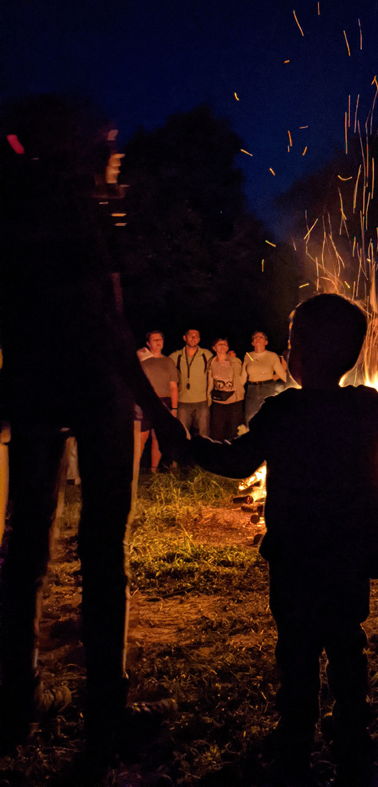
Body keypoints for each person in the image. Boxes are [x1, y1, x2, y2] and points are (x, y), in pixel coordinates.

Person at [0, 95, 188, 767]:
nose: (116, 148)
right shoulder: (74, 207)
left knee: (25, 545)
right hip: (88, 388)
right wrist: (156, 409)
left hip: (31, 387)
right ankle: (105, 708)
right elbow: (106, 322)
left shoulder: (19, 199)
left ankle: (12, 696)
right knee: (100, 551)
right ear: (76, 145)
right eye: (105, 139)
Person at [189, 294, 378, 787]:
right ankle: (352, 735)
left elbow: (236, 462)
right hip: (349, 553)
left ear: (299, 355)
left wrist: (187, 444)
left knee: (295, 647)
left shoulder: (281, 412)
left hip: (294, 555)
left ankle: (296, 738)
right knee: (346, 641)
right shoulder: (364, 407)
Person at [139, 331, 179, 472]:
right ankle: (133, 469)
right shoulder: (141, 360)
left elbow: (173, 386)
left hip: (164, 401)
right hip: (145, 400)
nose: (158, 341)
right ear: (148, 343)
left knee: (158, 437)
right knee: (142, 436)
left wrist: (174, 408)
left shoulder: (168, 361)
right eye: (154, 339)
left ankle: (154, 469)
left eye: (160, 339)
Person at [169, 329, 213, 437]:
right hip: (183, 402)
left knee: (204, 436)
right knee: (182, 436)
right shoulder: (175, 357)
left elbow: (221, 363)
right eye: (191, 335)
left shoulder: (207, 355)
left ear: (199, 339)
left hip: (202, 402)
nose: (193, 338)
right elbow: (161, 366)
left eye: (196, 336)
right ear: (184, 338)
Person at [241, 330, 287, 424]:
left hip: (268, 389)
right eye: (255, 337)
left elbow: (282, 374)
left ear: (266, 342)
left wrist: (296, 383)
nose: (258, 338)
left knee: (269, 419)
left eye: (261, 337)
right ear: (252, 343)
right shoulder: (248, 356)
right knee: (250, 419)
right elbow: (243, 377)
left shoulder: (272, 356)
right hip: (252, 391)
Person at [207, 337, 244, 440]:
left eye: (224, 344)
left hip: (234, 401)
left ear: (227, 347)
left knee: (234, 431)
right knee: (217, 431)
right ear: (214, 348)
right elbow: (210, 382)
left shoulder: (236, 361)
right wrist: (208, 397)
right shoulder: (211, 363)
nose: (222, 346)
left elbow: (242, 377)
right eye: (219, 344)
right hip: (218, 402)